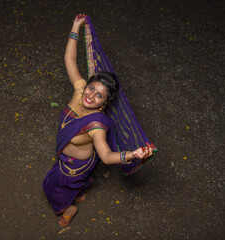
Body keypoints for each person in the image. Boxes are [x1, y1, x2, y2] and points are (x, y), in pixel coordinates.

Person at [42, 14, 155, 227]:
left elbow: (105, 155)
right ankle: (79, 191)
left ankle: (69, 207)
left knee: (55, 189)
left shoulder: (97, 125)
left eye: (99, 96)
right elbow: (69, 59)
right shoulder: (79, 90)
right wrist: (75, 26)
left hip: (75, 166)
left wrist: (132, 154)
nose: (91, 95)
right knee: (66, 183)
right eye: (91, 88)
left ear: (104, 103)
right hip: (69, 161)